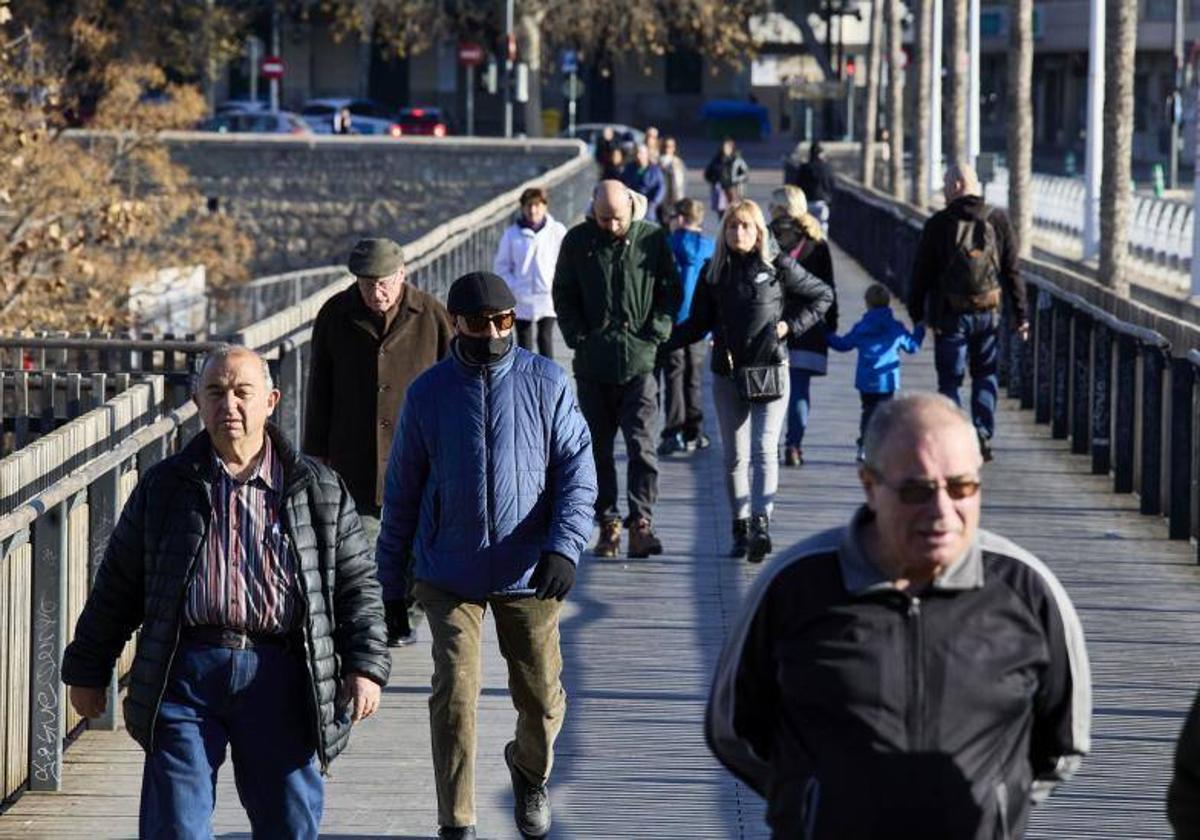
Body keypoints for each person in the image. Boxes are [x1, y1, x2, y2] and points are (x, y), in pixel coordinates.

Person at [706, 392, 1091, 839]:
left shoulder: (1027, 591)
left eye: (962, 487)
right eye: (917, 491)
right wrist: (809, 802)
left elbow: (1062, 741)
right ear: (869, 485)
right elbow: (734, 728)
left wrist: (997, 808)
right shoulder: (796, 586)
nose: (942, 511)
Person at [63, 345, 391, 839]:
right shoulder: (166, 487)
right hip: (187, 670)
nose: (229, 406)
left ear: (271, 401)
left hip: (282, 672)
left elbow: (356, 586)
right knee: (176, 826)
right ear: (197, 401)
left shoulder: (317, 488)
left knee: (289, 825)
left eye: (242, 393)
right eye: (215, 393)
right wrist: (89, 669)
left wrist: (365, 665)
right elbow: (118, 585)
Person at [376, 271, 596, 840]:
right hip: (449, 570)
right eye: (481, 324)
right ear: (456, 324)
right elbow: (400, 492)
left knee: (544, 702)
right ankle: (458, 820)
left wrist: (564, 547)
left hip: (530, 569)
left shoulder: (547, 382)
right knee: (455, 689)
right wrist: (390, 586)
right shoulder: (428, 394)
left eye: (504, 322)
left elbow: (578, 472)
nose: (495, 332)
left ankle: (529, 772)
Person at [305, 237, 453, 648]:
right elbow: (319, 386)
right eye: (366, 284)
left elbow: (456, 382)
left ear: (402, 274)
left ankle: (406, 614)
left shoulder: (432, 316)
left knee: (417, 542)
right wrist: (315, 449)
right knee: (361, 544)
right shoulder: (336, 314)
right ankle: (370, 620)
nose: (375, 292)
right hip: (356, 451)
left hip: (419, 452)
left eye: (383, 283)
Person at [666, 199, 833, 563]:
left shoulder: (778, 267)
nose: (738, 232)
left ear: (759, 232)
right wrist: (662, 343)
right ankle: (739, 527)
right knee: (734, 456)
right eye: (731, 226)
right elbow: (697, 323)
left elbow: (822, 295)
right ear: (723, 232)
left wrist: (790, 326)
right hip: (728, 373)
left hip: (772, 369)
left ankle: (761, 524)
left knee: (764, 449)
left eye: (745, 226)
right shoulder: (714, 272)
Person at [553, 180, 683, 558]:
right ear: (593, 209)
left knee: (642, 445)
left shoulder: (651, 238)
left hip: (639, 361)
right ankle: (607, 522)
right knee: (598, 449)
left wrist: (657, 330)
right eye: (604, 218)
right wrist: (578, 336)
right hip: (593, 363)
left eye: (618, 219)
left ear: (631, 208)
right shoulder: (578, 241)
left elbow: (669, 290)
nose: (611, 225)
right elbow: (564, 292)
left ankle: (641, 520)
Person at [906, 162, 1028, 462]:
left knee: (950, 379)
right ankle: (983, 433)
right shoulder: (997, 219)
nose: (944, 191)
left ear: (958, 185)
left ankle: (952, 437)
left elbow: (921, 272)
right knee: (985, 373)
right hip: (989, 311)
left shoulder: (939, 223)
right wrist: (1021, 315)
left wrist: (917, 312)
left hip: (950, 314)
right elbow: (1012, 270)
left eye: (947, 184)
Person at [767, 185, 838, 468]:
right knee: (799, 390)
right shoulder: (816, 243)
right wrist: (830, 324)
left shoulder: (765, 239)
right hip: (808, 326)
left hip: (771, 325)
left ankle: (767, 445)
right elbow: (828, 288)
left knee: (769, 389)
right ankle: (793, 446)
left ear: (778, 208)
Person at [828, 283, 925, 462]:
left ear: (867, 304)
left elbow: (842, 345)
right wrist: (920, 328)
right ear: (888, 303)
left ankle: (864, 446)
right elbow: (912, 347)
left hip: (866, 380)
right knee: (885, 415)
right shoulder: (896, 327)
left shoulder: (861, 327)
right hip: (886, 381)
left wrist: (824, 332)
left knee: (868, 411)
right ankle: (883, 448)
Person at [658, 198, 716, 456]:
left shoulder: (667, 245)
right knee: (694, 378)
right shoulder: (711, 247)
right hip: (701, 321)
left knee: (673, 376)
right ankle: (696, 430)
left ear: (680, 218)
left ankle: (673, 432)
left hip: (673, 321)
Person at [493, 187, 568, 358]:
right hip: (521, 297)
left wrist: (555, 282)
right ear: (522, 208)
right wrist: (515, 285)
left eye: (537, 205)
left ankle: (548, 380)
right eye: (528, 206)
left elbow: (567, 261)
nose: (533, 210)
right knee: (524, 341)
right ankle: (527, 379)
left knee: (545, 338)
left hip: (548, 295)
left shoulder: (557, 231)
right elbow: (502, 266)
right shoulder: (512, 234)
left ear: (545, 207)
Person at [790, 141, 835, 235]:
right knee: (822, 229)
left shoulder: (804, 168)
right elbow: (831, 186)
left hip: (807, 203)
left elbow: (798, 185)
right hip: (822, 203)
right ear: (821, 154)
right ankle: (821, 247)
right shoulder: (827, 168)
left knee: (807, 229)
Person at [621, 142, 667, 222]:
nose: (638, 156)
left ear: (646, 154)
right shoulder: (629, 168)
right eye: (636, 153)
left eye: (641, 153)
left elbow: (661, 187)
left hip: (649, 207)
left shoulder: (655, 169)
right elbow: (623, 183)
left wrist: (654, 203)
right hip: (633, 205)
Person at [704, 137, 750, 216]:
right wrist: (714, 180)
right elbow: (708, 173)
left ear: (732, 148)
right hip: (720, 190)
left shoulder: (737, 159)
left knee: (734, 211)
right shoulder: (717, 159)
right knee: (722, 212)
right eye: (723, 147)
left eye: (727, 147)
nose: (725, 149)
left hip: (733, 189)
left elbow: (745, 174)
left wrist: (734, 180)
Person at [656, 136, 688, 224]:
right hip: (661, 202)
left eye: (670, 146)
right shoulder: (658, 162)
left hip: (676, 200)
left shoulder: (679, 163)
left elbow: (683, 183)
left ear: (674, 148)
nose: (668, 149)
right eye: (666, 146)